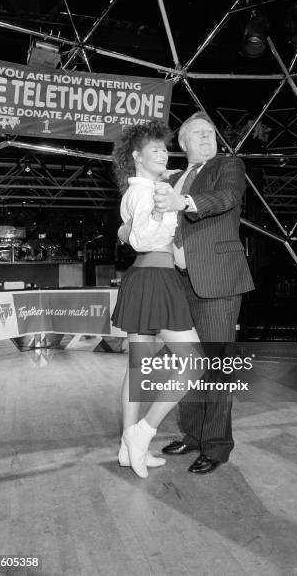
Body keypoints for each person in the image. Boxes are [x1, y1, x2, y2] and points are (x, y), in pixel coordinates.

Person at [152, 111, 255, 474]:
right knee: (188, 365)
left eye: (210, 133)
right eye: (197, 134)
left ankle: (215, 446)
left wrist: (185, 203)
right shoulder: (176, 178)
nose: (207, 138)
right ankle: (192, 436)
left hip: (217, 282)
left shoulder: (227, 166)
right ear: (182, 145)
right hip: (179, 283)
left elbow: (225, 197)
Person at [111, 120, 204, 479]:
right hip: (153, 279)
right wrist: (166, 206)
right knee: (194, 364)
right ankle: (142, 431)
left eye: (165, 147)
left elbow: (167, 248)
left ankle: (126, 446)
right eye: (155, 149)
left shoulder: (153, 190)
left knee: (138, 369)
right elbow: (141, 239)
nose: (164, 152)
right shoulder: (144, 192)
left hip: (152, 276)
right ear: (137, 157)